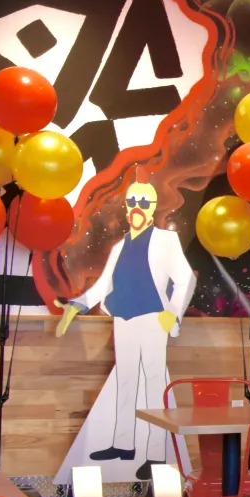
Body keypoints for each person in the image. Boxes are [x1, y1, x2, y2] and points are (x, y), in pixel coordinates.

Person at [55, 166, 195, 481]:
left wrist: (172, 312)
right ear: (128, 206)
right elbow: (104, 284)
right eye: (133, 202)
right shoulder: (120, 247)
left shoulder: (166, 240)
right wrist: (76, 305)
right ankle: (122, 444)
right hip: (124, 318)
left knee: (154, 384)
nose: (137, 209)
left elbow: (184, 279)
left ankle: (157, 454)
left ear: (153, 207)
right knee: (126, 381)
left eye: (144, 203)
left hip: (152, 319)